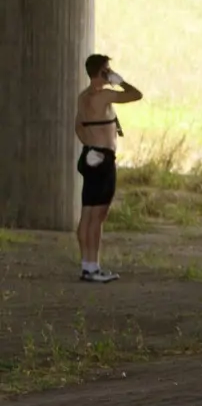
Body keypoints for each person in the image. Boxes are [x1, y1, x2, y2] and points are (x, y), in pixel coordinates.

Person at [74, 54, 143, 283]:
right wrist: (120, 81)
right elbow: (136, 95)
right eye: (108, 69)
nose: (110, 71)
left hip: (90, 156)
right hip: (102, 160)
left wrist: (88, 146)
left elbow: (78, 126)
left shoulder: (83, 97)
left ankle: (87, 265)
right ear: (102, 72)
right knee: (97, 216)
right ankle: (93, 267)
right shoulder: (103, 95)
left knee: (87, 213)